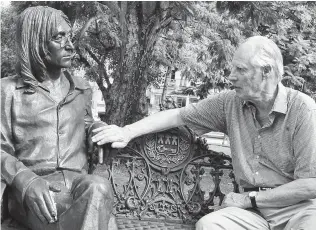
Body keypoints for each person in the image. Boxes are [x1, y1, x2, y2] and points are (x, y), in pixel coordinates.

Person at [92, 36, 316, 230]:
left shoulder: (303, 111)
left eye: (241, 69)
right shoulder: (230, 103)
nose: (231, 76)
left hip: (295, 209)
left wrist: (250, 198)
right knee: (210, 225)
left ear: (266, 72)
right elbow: (177, 115)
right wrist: (126, 131)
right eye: (233, 68)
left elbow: (310, 184)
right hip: (252, 213)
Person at [1, 6, 116, 230]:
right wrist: (26, 179)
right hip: (36, 193)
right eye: (58, 37)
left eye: (69, 37)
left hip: (79, 185)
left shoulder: (82, 88)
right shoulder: (7, 91)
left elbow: (84, 122)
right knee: (103, 216)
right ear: (36, 42)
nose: (71, 46)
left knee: (99, 187)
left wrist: (98, 129)